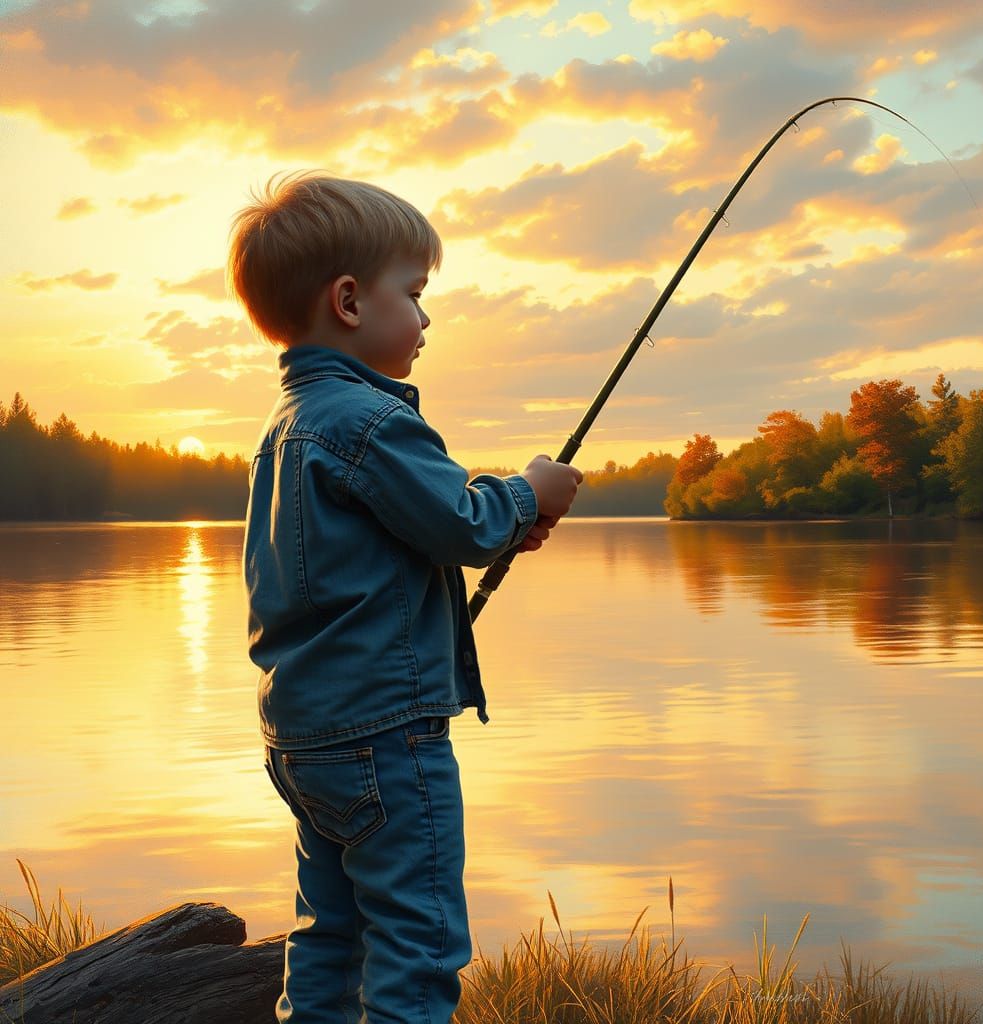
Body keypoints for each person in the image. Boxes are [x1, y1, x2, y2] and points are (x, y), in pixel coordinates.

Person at [227, 171, 583, 1023]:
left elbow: (406, 544)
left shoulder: (282, 434)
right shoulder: (369, 421)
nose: (426, 319)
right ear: (349, 301)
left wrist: (490, 527)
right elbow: (463, 523)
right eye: (415, 294)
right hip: (387, 738)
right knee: (416, 948)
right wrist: (529, 492)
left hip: (302, 740)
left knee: (328, 934)